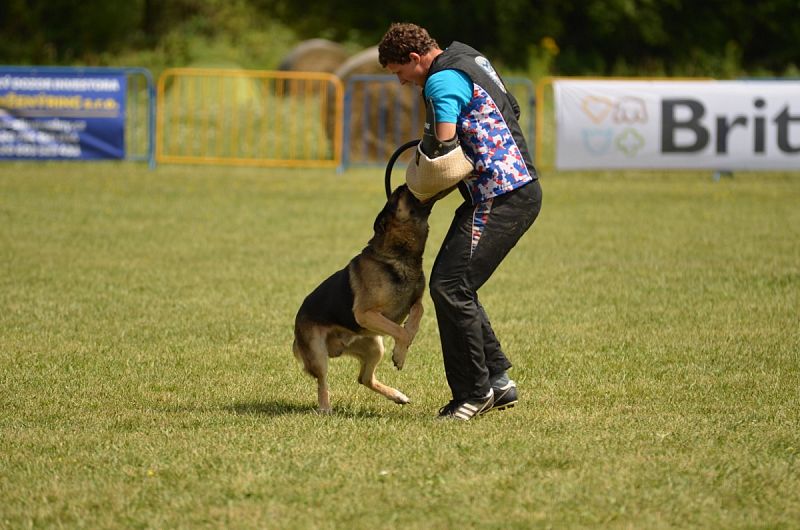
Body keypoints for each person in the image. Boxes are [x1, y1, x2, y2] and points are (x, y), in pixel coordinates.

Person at [378, 23, 543, 421]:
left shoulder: (439, 82)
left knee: (449, 286)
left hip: (501, 196)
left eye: (399, 72)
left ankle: (473, 394)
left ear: (416, 59)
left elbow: (443, 144)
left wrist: (421, 178)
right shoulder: (469, 58)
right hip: (513, 188)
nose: (401, 82)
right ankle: (498, 383)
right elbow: (511, 108)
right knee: (458, 285)